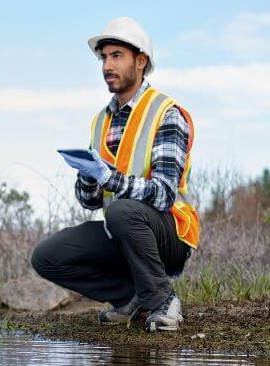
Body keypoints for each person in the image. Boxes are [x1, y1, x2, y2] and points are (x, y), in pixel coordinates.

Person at [31, 17, 200, 332]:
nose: (107, 65)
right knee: (47, 255)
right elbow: (91, 202)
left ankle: (164, 301)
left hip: (169, 235)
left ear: (140, 61)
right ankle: (130, 296)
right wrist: (88, 177)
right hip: (121, 229)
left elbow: (163, 194)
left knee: (123, 211)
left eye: (117, 56)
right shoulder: (100, 122)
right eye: (104, 57)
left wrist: (109, 178)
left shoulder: (166, 114)